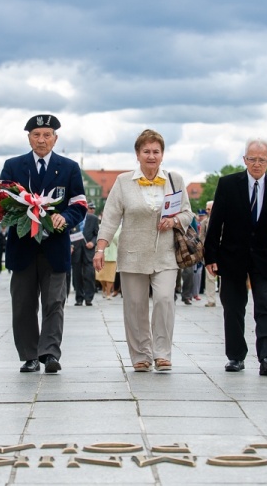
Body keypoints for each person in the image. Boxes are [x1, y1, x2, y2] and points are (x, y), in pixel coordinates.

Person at [93, 129, 194, 373]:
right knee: (135, 305)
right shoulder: (123, 182)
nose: (151, 156)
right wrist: (100, 248)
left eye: (156, 152)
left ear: (162, 155)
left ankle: (162, 353)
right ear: (137, 154)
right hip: (132, 254)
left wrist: (175, 221)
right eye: (146, 151)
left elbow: (188, 212)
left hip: (165, 253)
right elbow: (111, 217)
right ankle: (140, 355)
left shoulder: (175, 180)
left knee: (164, 299)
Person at [0, 114, 88, 374]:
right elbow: (1, 201)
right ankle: (28, 355)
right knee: (24, 304)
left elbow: (79, 204)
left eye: (46, 135)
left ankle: (49, 353)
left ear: (55, 138)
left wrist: (66, 217)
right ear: (29, 138)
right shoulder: (13, 166)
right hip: (22, 246)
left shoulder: (69, 168)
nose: (41, 140)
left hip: (55, 246)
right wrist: (16, 213)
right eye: (36, 135)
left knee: (54, 302)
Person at [203, 138, 267, 376]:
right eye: (252, 159)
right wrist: (210, 256)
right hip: (232, 256)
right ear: (244, 159)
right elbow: (216, 223)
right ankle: (235, 356)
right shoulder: (228, 184)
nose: (256, 164)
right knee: (233, 306)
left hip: (265, 257)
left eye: (262, 160)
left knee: (265, 304)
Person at [71, 202, 100, 306]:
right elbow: (69, 233)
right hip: (76, 250)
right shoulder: (74, 218)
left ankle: (89, 298)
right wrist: (70, 245)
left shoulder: (93, 219)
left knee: (89, 274)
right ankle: (79, 298)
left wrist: (93, 242)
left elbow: (97, 234)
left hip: (89, 251)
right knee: (77, 275)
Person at [200, 201, 218, 306]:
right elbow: (201, 236)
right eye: (207, 209)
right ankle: (211, 300)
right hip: (209, 252)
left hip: (222, 251)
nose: (207, 211)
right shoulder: (204, 222)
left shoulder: (225, 220)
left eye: (209, 209)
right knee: (210, 277)